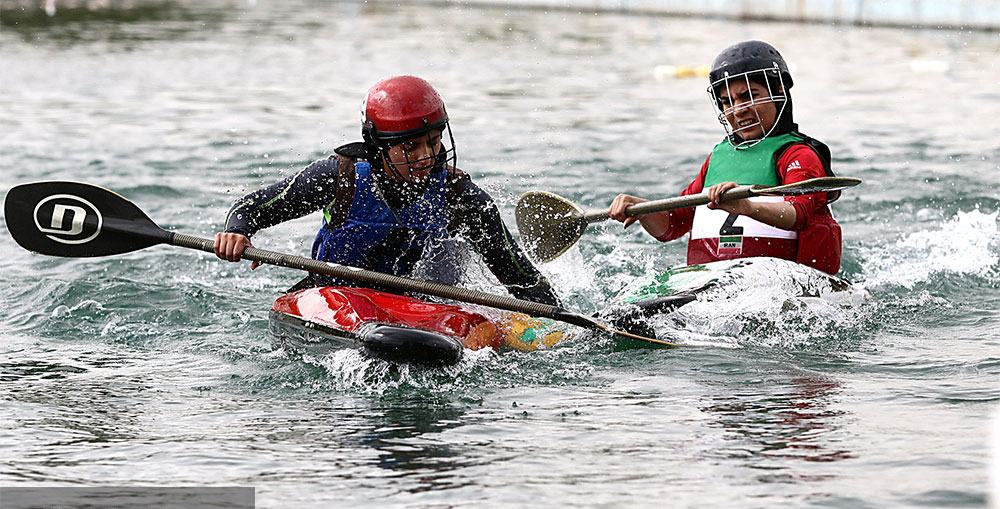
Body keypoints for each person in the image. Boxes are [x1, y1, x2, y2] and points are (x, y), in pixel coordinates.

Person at [214, 75, 560, 305]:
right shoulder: (341, 177)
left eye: (434, 141)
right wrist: (236, 233)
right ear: (379, 148)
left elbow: (521, 277)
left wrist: (564, 321)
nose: (427, 156)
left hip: (422, 309)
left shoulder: (462, 197)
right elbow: (253, 207)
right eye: (411, 148)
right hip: (335, 298)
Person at [609, 40, 843, 275]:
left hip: (790, 286)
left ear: (779, 90)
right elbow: (673, 226)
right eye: (727, 101)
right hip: (716, 283)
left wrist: (747, 207)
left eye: (750, 96)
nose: (738, 110)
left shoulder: (799, 154)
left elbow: (799, 213)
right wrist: (643, 209)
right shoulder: (718, 157)